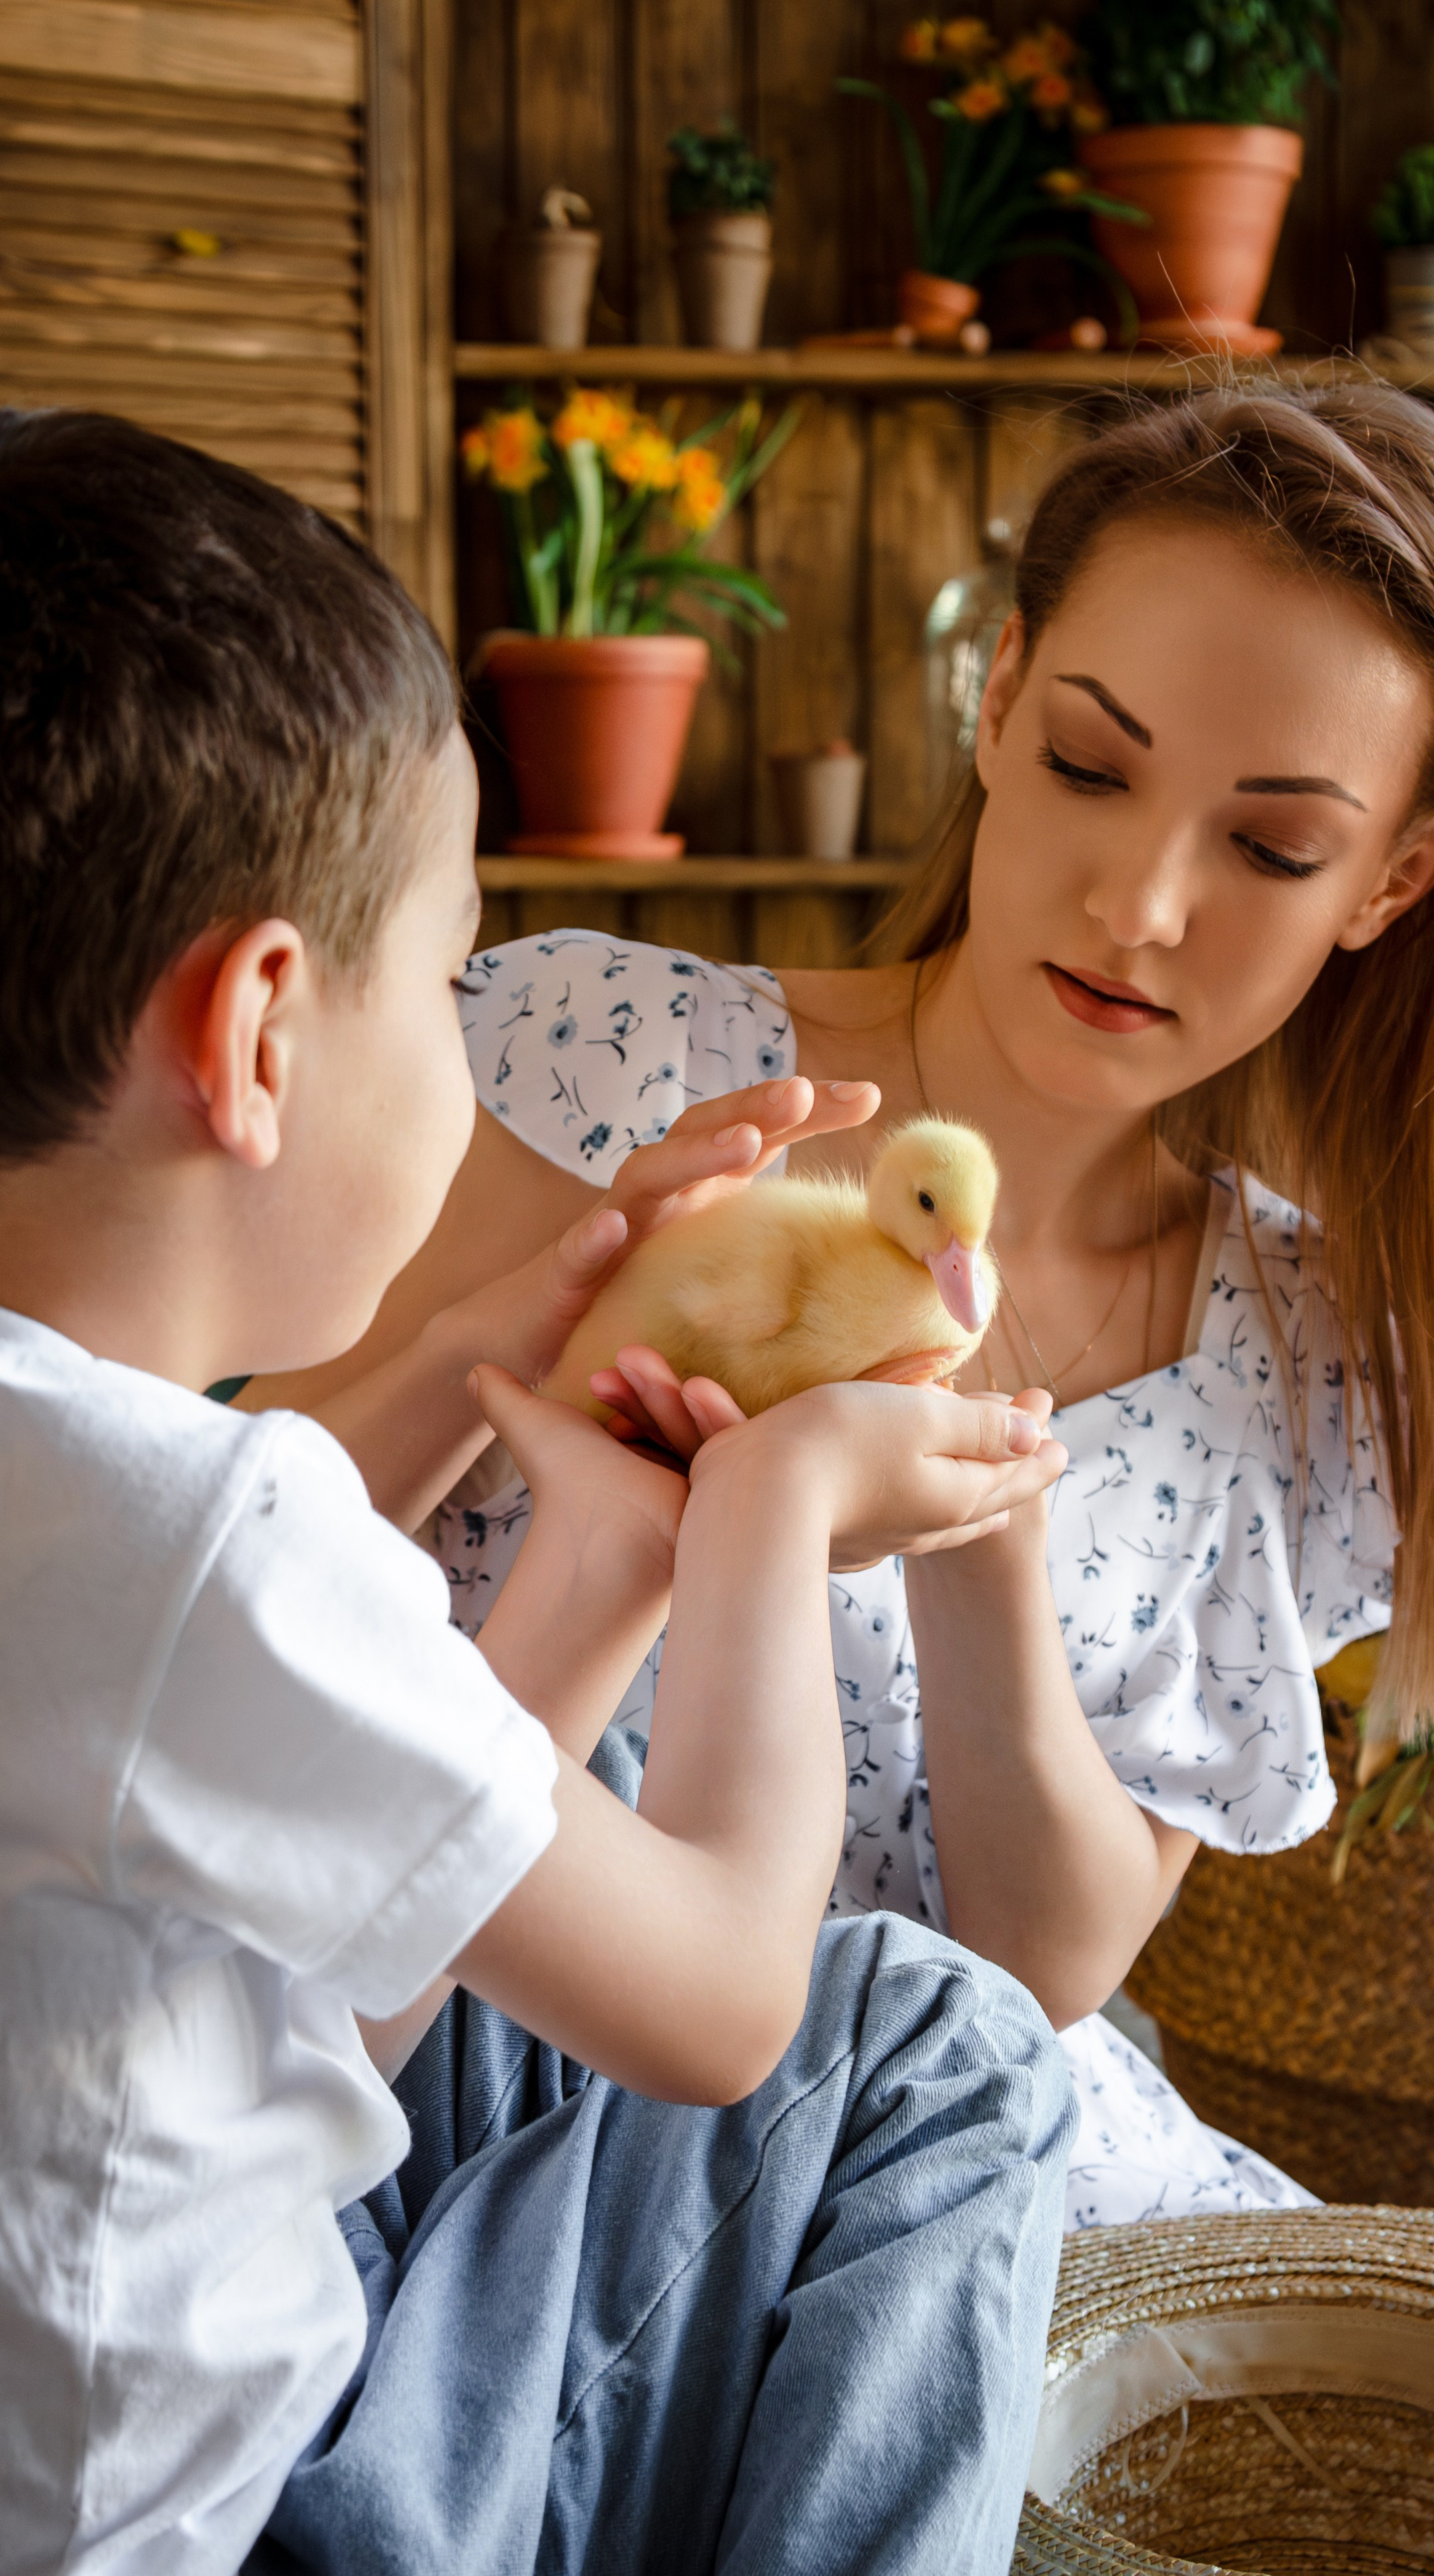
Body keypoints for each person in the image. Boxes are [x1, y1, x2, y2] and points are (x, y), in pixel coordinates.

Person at [259, 379, 1434, 2229]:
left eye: (1272, 847)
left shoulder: (1301, 1362)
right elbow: (225, 1580)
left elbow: (1044, 1968)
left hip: (922, 2164)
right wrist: (514, 1338)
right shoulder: (595, 1056)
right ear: (994, 703)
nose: (1140, 900)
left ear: (1396, 879)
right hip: (440, 2071)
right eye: (1090, 762)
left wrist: (985, 1531)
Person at [0, 408, 1077, 2576]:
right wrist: (765, 1528)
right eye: (450, 977)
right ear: (268, 1028)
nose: (471, 1058)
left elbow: (246, 1802)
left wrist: (570, 1471)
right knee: (938, 2038)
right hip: (199, 2516)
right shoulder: (216, 1551)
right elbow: (713, 2004)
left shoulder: (90, 1485)